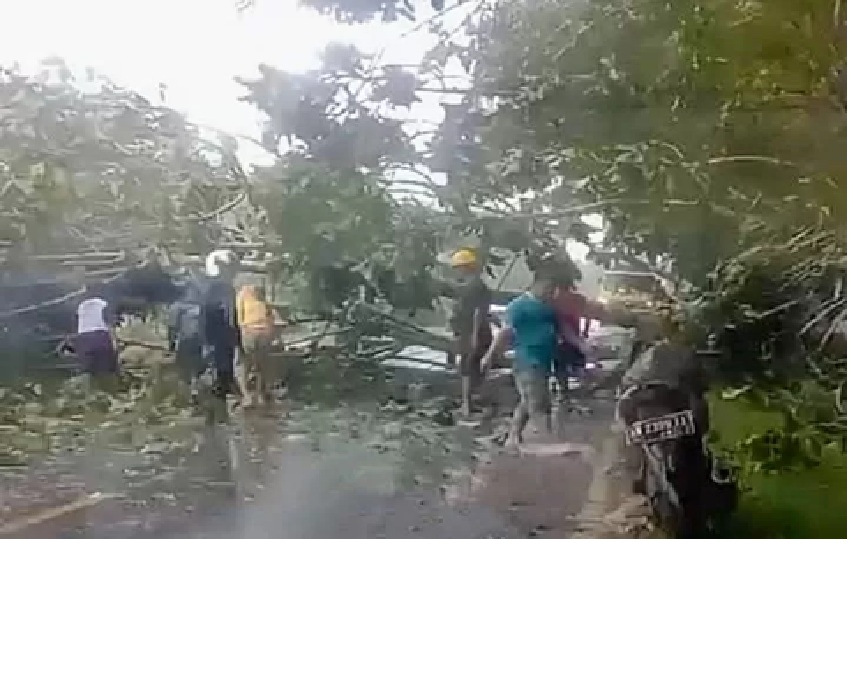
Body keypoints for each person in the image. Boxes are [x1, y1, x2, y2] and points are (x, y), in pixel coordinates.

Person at [481, 274, 560, 449]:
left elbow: (559, 330)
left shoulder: (548, 308)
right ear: (536, 285)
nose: (551, 293)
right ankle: (546, 440)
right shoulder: (518, 306)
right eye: (548, 289)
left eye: (553, 290)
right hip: (527, 359)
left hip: (544, 360)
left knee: (527, 400)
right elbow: (504, 333)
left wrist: (580, 345)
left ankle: (513, 436)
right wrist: (490, 356)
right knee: (537, 402)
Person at [448, 248, 493, 418]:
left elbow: (478, 313)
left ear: (466, 267)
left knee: (467, 367)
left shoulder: (476, 287)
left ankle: (467, 404)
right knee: (471, 367)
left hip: (474, 332)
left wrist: (474, 335)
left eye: (458, 268)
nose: (456, 271)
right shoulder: (470, 286)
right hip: (469, 331)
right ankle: (471, 401)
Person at [551, 276, 608, 404]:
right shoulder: (578, 298)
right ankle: (582, 389)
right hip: (572, 337)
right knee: (575, 364)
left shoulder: (555, 300)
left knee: (562, 365)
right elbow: (587, 315)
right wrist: (585, 332)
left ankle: (564, 391)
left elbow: (585, 315)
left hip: (562, 338)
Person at [200, 249, 242, 402]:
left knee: (215, 375)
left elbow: (203, 314)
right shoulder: (225, 289)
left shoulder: (207, 287)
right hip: (223, 339)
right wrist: (237, 338)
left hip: (210, 338)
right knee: (224, 377)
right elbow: (229, 315)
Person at [235, 283, 276, 407]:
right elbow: (240, 318)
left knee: (261, 364)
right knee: (246, 363)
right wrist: (243, 330)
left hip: (262, 333)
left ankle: (260, 393)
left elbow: (269, 315)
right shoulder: (243, 294)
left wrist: (270, 330)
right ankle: (247, 395)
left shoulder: (262, 297)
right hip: (249, 332)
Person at [73, 282, 120, 384]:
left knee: (89, 369)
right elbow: (109, 323)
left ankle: (91, 393)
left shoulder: (81, 306)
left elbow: (77, 321)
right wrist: (114, 342)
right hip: (100, 337)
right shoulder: (103, 304)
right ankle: (110, 389)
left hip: (84, 338)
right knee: (106, 368)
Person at [167, 281, 205, 404]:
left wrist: (171, 344)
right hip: (197, 340)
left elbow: (172, 327)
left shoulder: (177, 307)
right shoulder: (201, 306)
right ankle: (193, 393)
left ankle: (189, 395)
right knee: (194, 368)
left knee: (186, 369)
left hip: (188, 340)